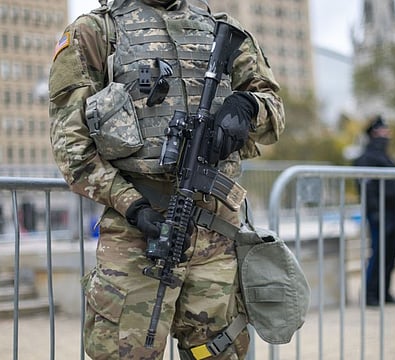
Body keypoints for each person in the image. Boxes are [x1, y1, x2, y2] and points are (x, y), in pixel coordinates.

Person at [48, 0, 285, 358]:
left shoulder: (223, 30)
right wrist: (133, 206)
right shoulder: (96, 32)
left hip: (216, 240)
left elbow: (273, 108)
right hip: (139, 238)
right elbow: (72, 146)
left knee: (217, 352)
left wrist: (249, 108)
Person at [353, 115, 395, 307]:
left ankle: (384, 291)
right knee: (378, 252)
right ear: (374, 133)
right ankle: (371, 294)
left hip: (392, 209)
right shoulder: (366, 157)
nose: (386, 134)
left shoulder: (386, 156)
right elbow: (366, 186)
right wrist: (375, 210)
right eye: (383, 131)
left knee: (390, 252)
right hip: (378, 212)